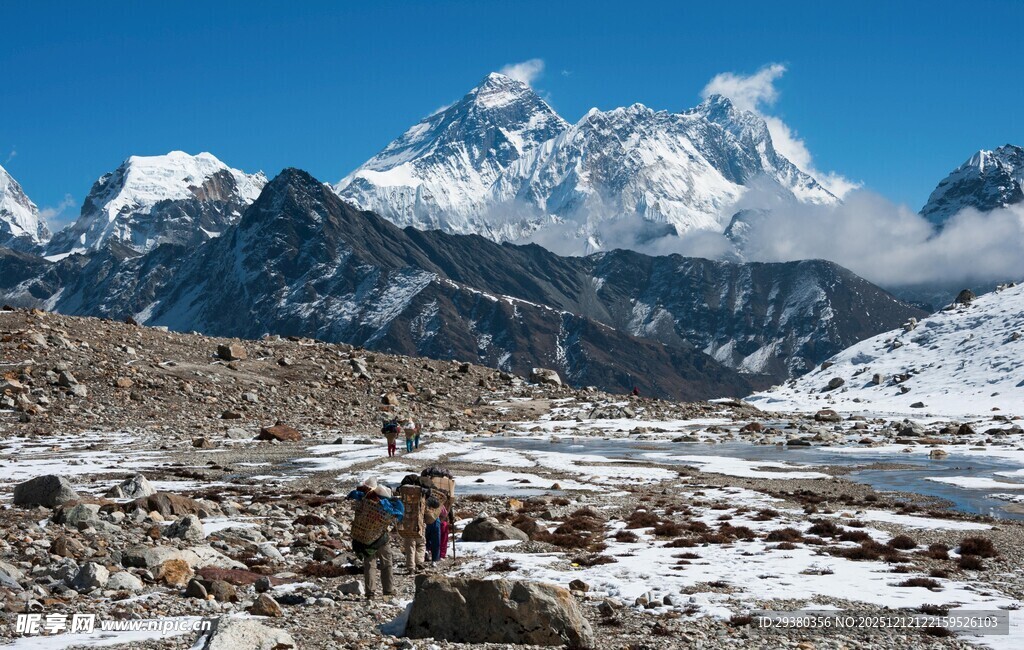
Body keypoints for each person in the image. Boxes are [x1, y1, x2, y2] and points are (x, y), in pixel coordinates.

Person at [348, 478, 404, 598]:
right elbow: (393, 515)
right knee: (387, 562)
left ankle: (370, 592)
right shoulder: (383, 504)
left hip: (365, 537)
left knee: (369, 564)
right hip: (380, 538)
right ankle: (388, 591)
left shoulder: (363, 499)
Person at [396, 478, 429, 574]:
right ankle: (419, 562)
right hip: (420, 523)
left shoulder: (403, 494)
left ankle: (411, 567)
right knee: (421, 543)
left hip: (407, 523)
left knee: (410, 545)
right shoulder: (423, 493)